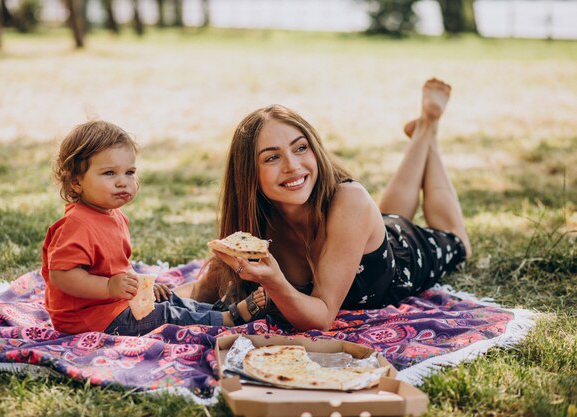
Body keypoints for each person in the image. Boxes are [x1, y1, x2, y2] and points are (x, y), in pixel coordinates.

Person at [193, 78, 472, 331]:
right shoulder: (254, 225)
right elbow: (200, 291)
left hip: (402, 261)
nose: (293, 166)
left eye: (300, 148)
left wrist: (274, 282)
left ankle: (427, 128)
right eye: (272, 158)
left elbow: (321, 318)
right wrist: (163, 295)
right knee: (389, 215)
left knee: (458, 241)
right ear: (248, 175)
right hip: (364, 231)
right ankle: (424, 131)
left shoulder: (350, 201)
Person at [42, 120, 263, 335]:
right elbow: (62, 276)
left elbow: (113, 267)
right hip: (89, 318)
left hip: (113, 304)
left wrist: (138, 284)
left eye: (129, 172)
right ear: (76, 182)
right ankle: (227, 319)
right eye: (109, 173)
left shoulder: (114, 216)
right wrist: (109, 287)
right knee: (164, 314)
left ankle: (217, 311)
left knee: (166, 299)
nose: (123, 181)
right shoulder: (76, 224)